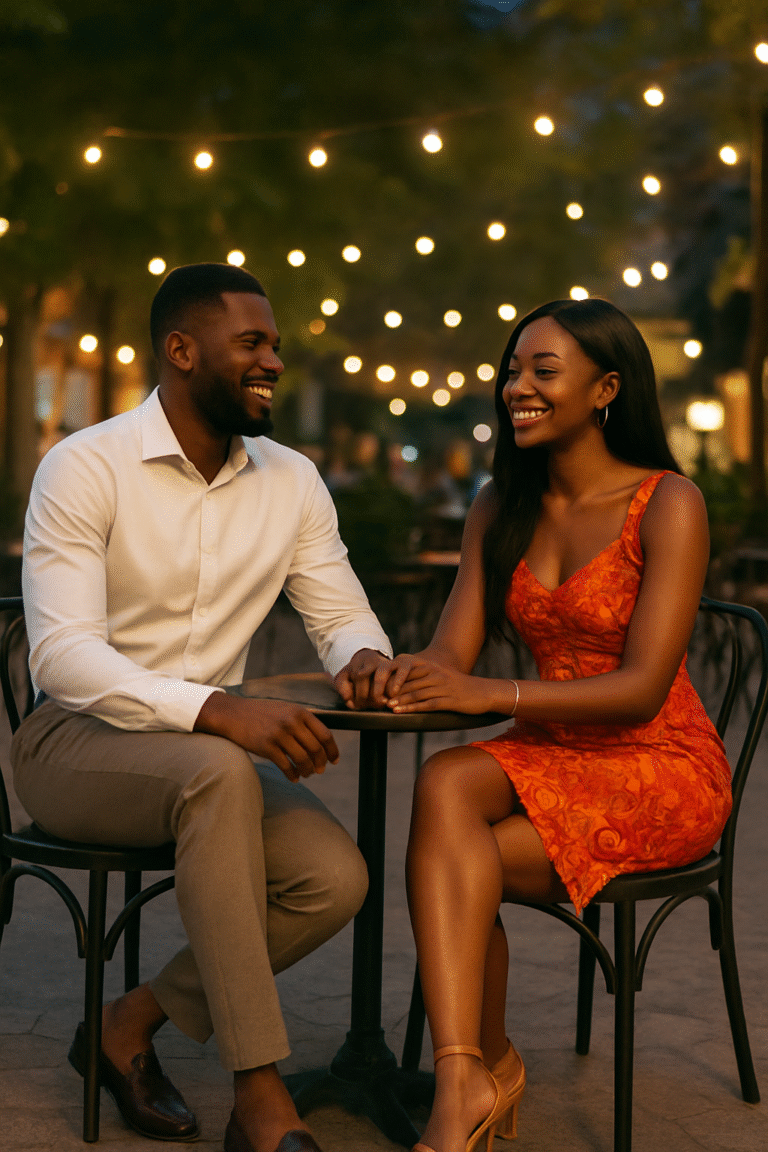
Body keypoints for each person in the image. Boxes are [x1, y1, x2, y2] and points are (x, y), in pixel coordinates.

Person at [10, 263, 398, 1152]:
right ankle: (260, 1097)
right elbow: (63, 656)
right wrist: (217, 708)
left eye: (274, 344)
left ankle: (127, 1023)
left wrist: (365, 656)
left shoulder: (291, 479)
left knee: (333, 879)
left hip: (204, 764)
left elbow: (338, 614)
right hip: (74, 742)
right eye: (251, 344)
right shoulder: (84, 465)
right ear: (181, 351)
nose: (274, 360)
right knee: (221, 766)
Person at [380, 298, 732, 1152]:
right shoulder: (500, 505)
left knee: (455, 867)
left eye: (544, 372)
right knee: (446, 783)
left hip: (659, 763)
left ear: (606, 388)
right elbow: (449, 656)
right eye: (511, 371)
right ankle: (467, 1070)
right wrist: (388, 673)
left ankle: (482, 1070)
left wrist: (490, 697)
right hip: (552, 754)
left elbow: (644, 690)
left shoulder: (667, 501)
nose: (516, 389)